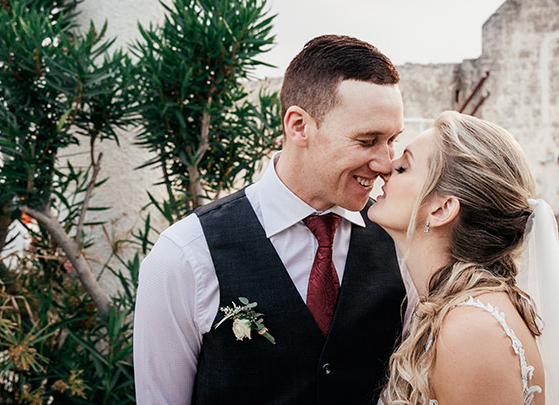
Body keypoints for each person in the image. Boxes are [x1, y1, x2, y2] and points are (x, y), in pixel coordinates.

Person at [134, 35, 408, 405]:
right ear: (298, 127)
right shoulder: (185, 255)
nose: (385, 162)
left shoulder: (401, 244)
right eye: (367, 140)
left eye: (391, 140)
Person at [369, 111, 559, 405]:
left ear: (441, 209)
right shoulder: (449, 308)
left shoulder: (469, 329)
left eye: (403, 167)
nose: (386, 169)